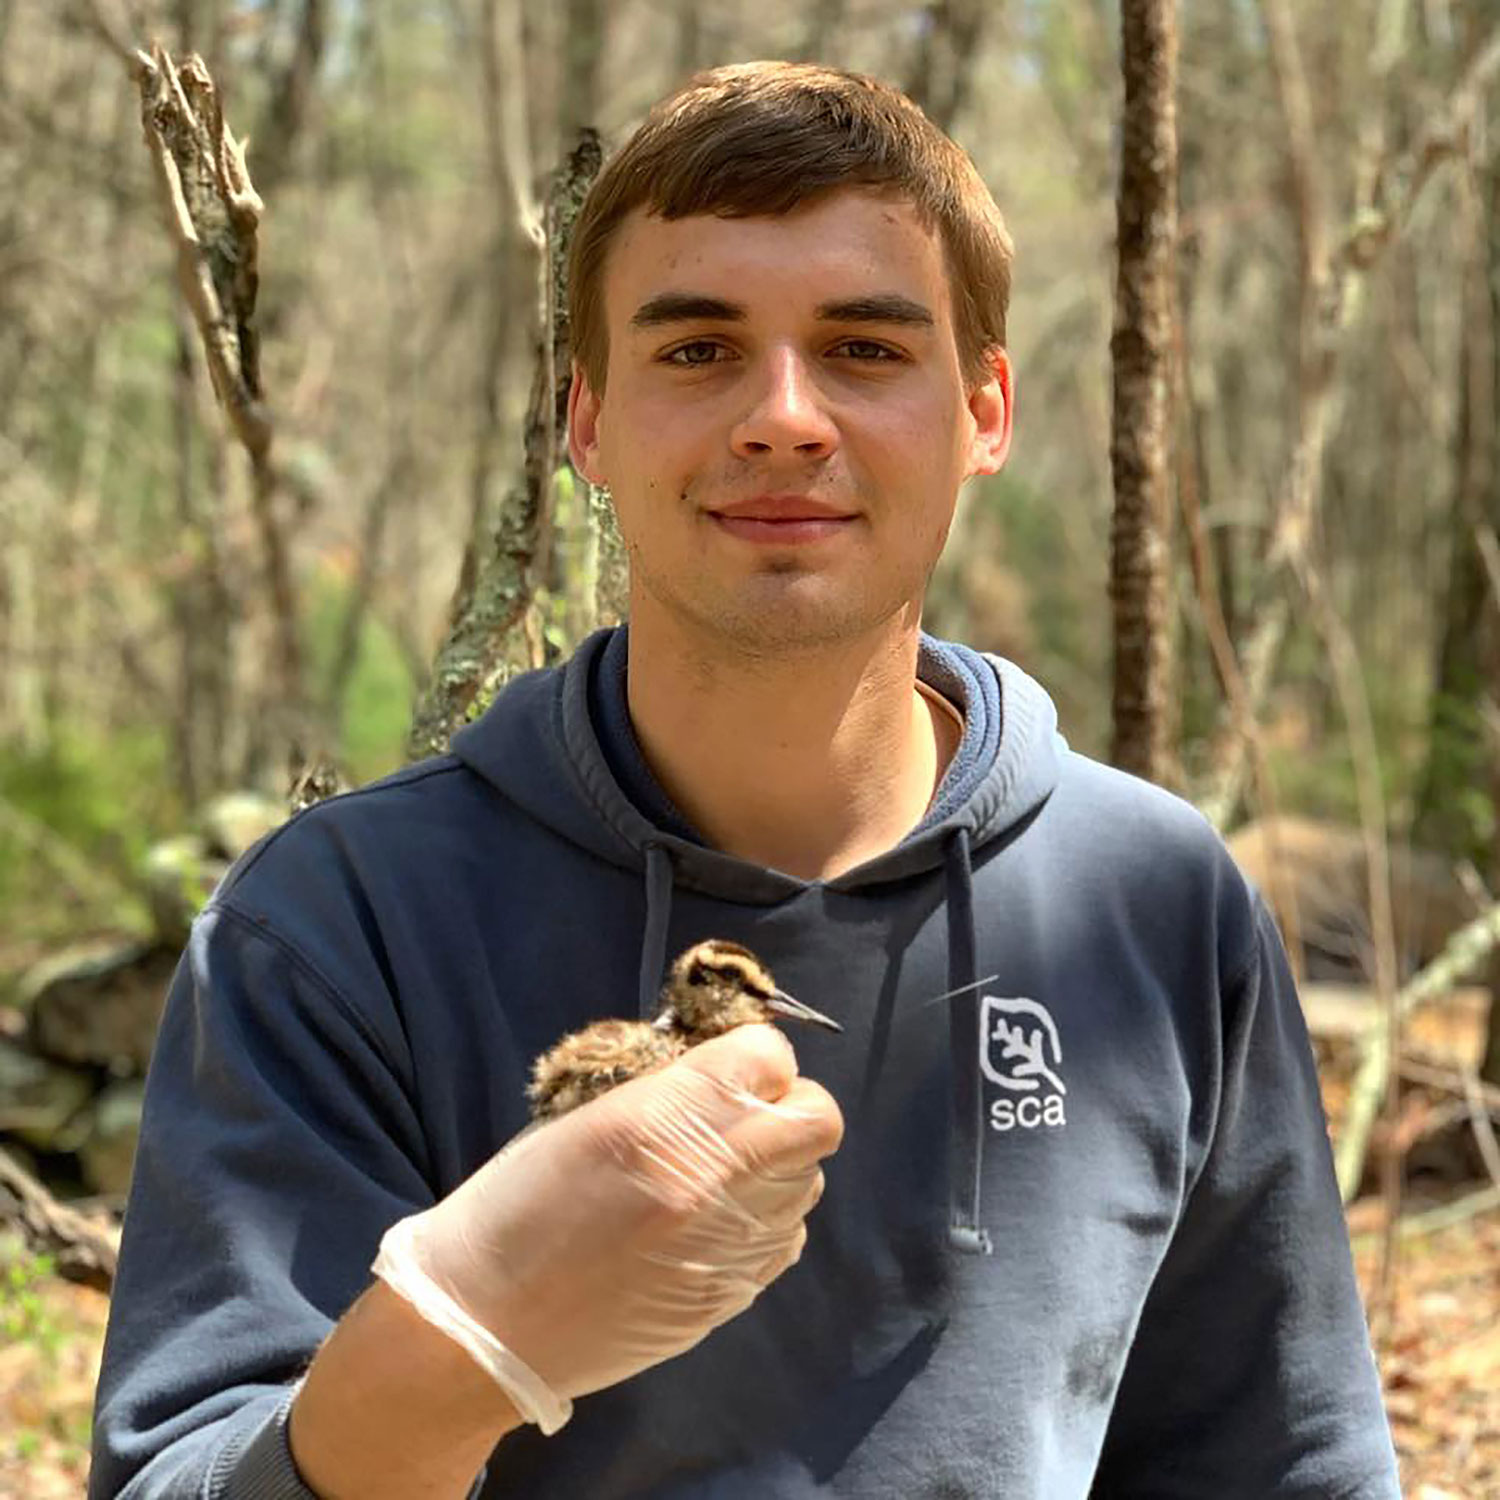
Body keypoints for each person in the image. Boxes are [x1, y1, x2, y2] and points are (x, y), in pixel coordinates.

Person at [90, 60, 1402, 1500]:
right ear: (586, 422)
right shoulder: (342, 925)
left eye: (866, 349)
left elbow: (1286, 1464)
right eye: (699, 351)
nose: (785, 417)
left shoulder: (1155, 905)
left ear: (987, 413)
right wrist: (466, 1343)